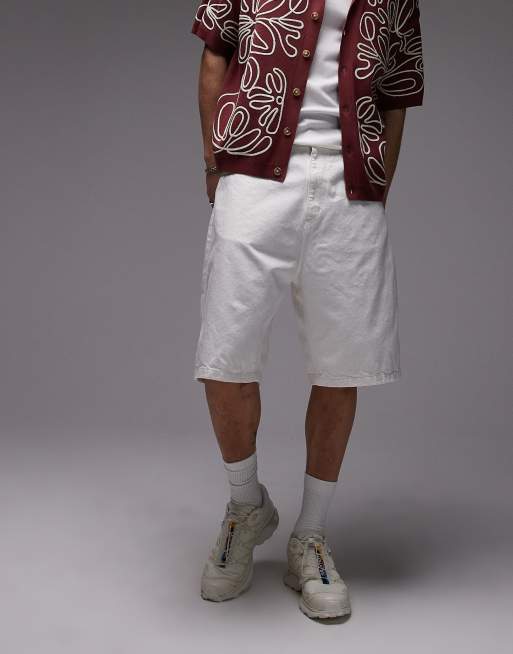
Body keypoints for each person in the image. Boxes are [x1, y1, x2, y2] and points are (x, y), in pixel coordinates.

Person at [190, 0, 424, 620]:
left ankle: (310, 536)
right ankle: (247, 505)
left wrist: (377, 182)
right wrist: (215, 163)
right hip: (254, 173)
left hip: (350, 186)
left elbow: (397, 91)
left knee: (342, 366)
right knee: (224, 356)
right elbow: (215, 53)